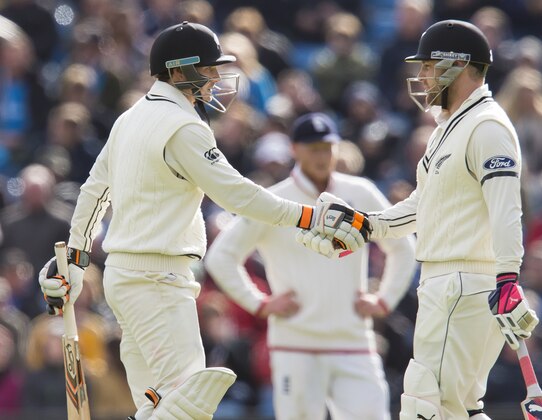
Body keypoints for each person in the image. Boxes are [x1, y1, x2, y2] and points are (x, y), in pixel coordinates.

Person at [35, 21, 369, 420]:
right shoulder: (184, 127)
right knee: (184, 408)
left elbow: (93, 192)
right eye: (208, 70)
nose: (215, 79)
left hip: (124, 281)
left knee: (157, 406)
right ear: (178, 72)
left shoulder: (130, 117)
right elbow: (239, 196)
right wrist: (311, 216)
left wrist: (75, 257)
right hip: (158, 283)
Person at [302, 20, 539, 420]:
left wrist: (507, 277)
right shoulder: (450, 126)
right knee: (458, 407)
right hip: (450, 283)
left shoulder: (487, 126)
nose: (422, 76)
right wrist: (369, 226)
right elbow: (423, 203)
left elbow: (506, 207)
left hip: (462, 284)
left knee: (427, 405)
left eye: (429, 65)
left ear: (458, 66)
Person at [206, 112, 416, 420]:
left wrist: (384, 300)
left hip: (353, 338)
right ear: (295, 149)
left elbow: (403, 247)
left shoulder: (360, 192)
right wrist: (261, 304)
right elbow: (220, 257)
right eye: (312, 147)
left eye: (327, 147)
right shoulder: (274, 200)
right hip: (295, 343)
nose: (321, 155)